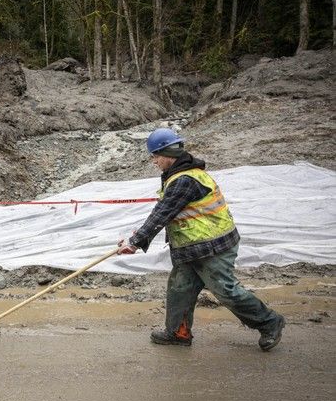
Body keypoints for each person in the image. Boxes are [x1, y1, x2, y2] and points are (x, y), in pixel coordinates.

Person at [117, 128, 285, 351]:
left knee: (226, 291)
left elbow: (162, 213)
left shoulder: (184, 180)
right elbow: (166, 212)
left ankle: (270, 322)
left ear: (167, 154)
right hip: (191, 248)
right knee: (180, 289)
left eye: (155, 156)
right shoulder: (180, 173)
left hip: (213, 247)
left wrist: (135, 242)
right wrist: (135, 239)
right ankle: (178, 332)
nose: (154, 161)